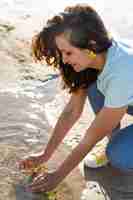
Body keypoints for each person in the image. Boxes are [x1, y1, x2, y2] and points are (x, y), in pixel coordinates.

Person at [19, 4, 133, 193]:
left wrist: (57, 176)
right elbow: (72, 111)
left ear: (91, 45)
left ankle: (119, 145)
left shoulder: (122, 71)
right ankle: (116, 138)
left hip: (126, 87)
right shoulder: (96, 57)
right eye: (61, 52)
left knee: (119, 155)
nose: (64, 60)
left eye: (68, 52)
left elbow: (91, 136)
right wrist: (44, 155)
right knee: (94, 83)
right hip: (128, 95)